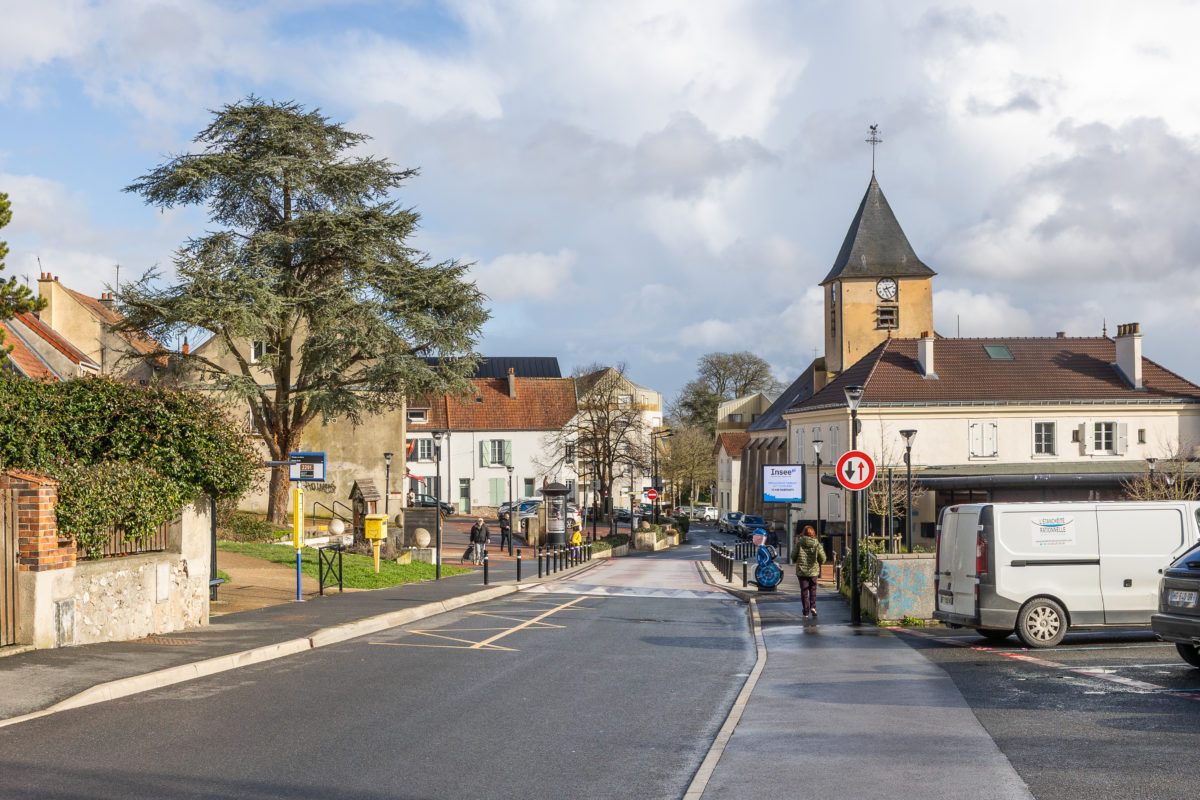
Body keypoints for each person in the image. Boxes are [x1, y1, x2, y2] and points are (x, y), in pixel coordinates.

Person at [794, 524, 826, 618]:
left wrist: (797, 560)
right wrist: (818, 562)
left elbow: (793, 556)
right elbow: (823, 558)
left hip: (802, 571)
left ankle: (806, 612)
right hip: (813, 571)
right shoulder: (817, 544)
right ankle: (813, 607)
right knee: (813, 589)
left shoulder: (799, 544)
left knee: (804, 592)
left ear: (803, 533)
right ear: (813, 534)